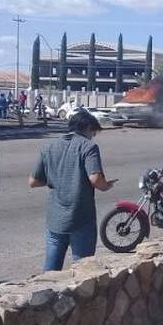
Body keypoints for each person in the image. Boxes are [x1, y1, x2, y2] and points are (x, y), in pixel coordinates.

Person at [29, 111, 115, 271]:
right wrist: (107, 186)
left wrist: (56, 178)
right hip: (81, 218)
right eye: (93, 133)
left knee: (50, 272)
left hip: (55, 219)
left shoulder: (49, 147)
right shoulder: (88, 147)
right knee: (83, 270)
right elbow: (95, 179)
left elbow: (33, 181)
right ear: (88, 127)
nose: (92, 137)